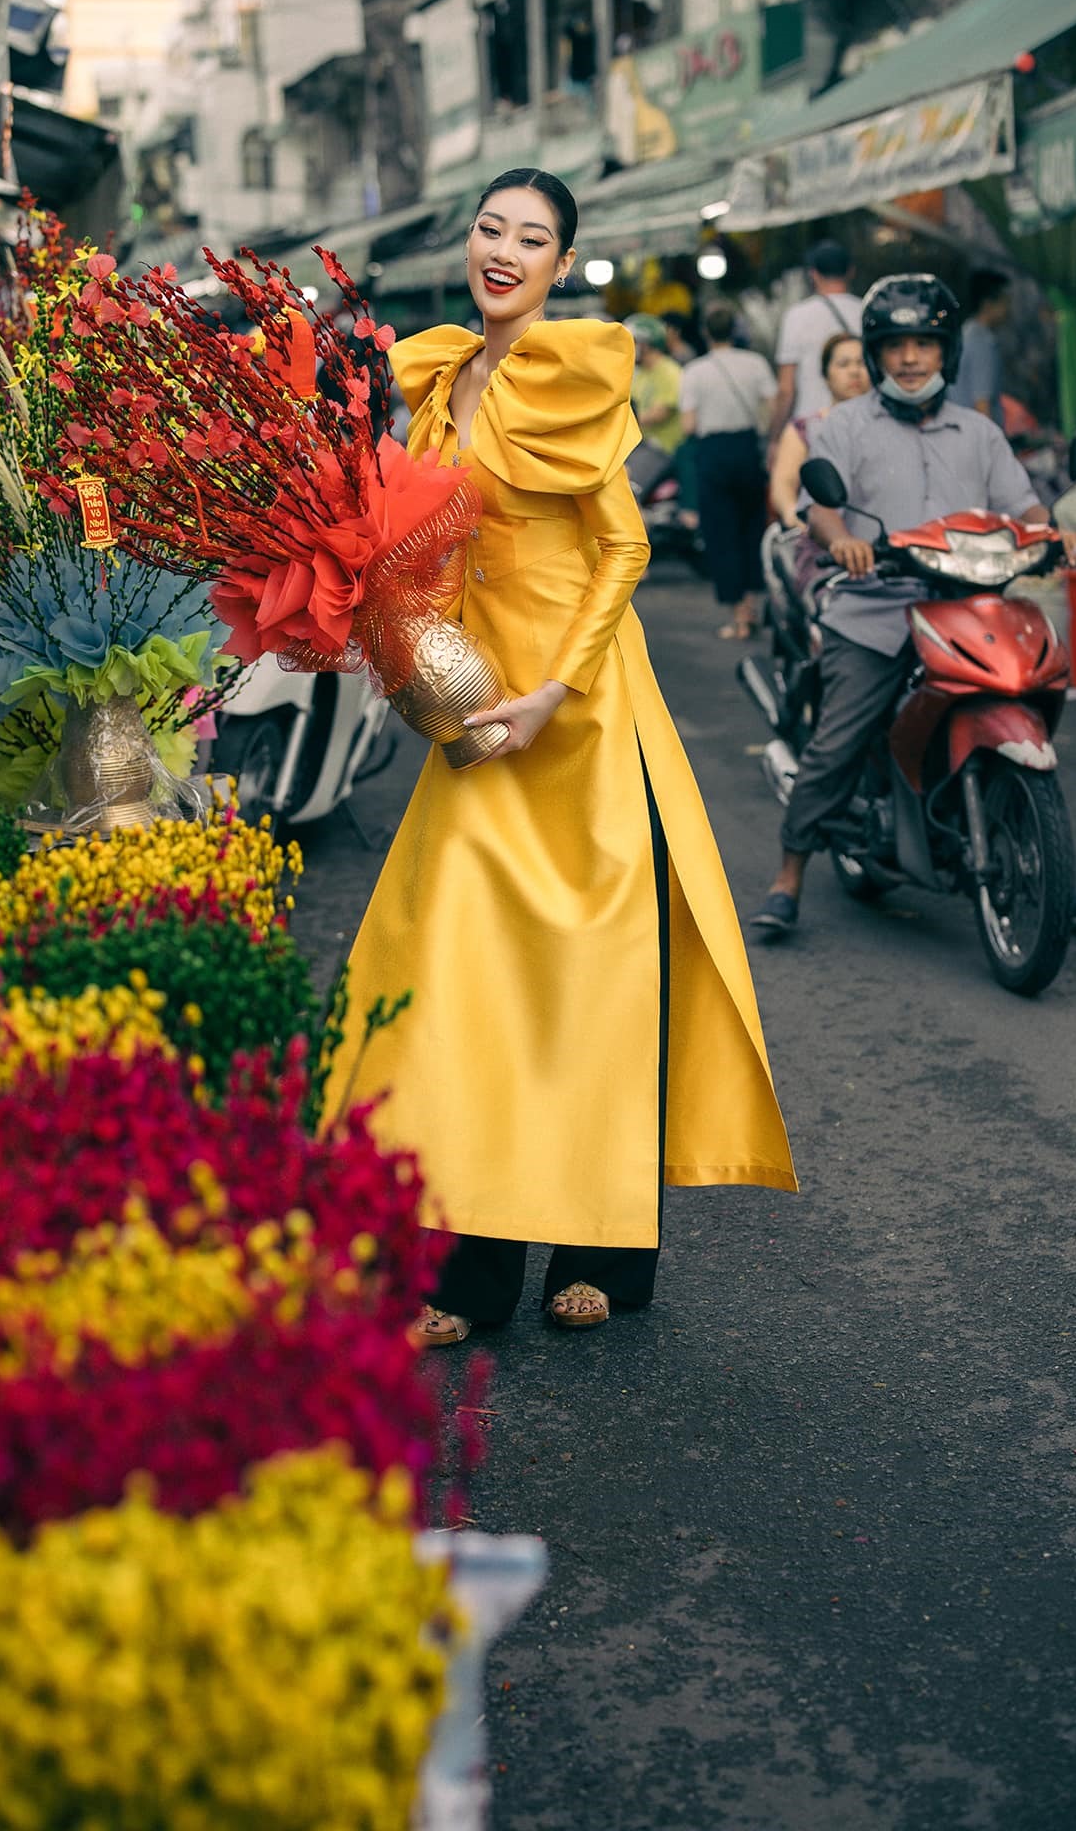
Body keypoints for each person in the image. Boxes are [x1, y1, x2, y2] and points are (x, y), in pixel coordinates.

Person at [322, 167, 796, 1345]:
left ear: (558, 262)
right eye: (490, 226)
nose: (504, 250)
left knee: (593, 990)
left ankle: (608, 1255)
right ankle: (465, 1273)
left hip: (575, 713)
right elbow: (416, 545)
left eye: (531, 238)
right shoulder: (434, 378)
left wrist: (553, 693)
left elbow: (623, 550)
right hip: (476, 712)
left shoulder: (569, 372)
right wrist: (398, 640)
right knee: (460, 986)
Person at [748, 274, 1076, 934]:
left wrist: (1054, 531)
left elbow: (1021, 505)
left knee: (1029, 693)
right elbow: (819, 507)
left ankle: (1043, 861)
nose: (910, 359)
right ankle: (788, 874)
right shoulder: (845, 426)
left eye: (925, 344)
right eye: (896, 346)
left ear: (946, 352)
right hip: (874, 607)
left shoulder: (978, 432)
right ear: (877, 353)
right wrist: (843, 541)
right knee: (839, 737)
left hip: (967, 602)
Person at [680, 301, 777, 639]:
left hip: (714, 454)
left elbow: (689, 425)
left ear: (706, 332)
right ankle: (751, 605)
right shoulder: (756, 364)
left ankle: (737, 617)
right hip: (748, 450)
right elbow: (772, 407)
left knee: (722, 533)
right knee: (751, 528)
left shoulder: (695, 372)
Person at [768, 238, 864, 455]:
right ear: (851, 271)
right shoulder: (865, 312)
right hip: (861, 423)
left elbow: (786, 389)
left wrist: (774, 438)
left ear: (813, 274)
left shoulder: (797, 316)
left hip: (811, 428)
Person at [769, 331, 871, 527]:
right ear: (826, 374)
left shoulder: (886, 425)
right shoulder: (804, 429)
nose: (854, 371)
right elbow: (783, 485)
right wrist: (794, 515)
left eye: (861, 363)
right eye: (843, 364)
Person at [623, 312, 685, 506]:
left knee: (628, 490)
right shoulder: (639, 374)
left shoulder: (669, 371)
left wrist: (626, 419)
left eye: (633, 341)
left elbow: (662, 412)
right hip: (639, 447)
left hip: (661, 448)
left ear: (646, 343)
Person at [948, 267, 1011, 427]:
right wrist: (990, 448)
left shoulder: (965, 334)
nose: (1009, 308)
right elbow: (982, 405)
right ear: (988, 304)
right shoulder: (981, 342)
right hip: (975, 438)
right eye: (1005, 301)